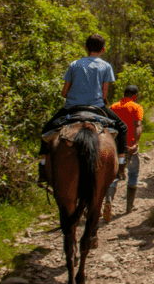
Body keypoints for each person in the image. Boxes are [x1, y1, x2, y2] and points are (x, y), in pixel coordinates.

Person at [39, 34, 128, 184]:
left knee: (46, 129)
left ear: (85, 48)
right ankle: (121, 165)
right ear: (103, 49)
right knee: (122, 127)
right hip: (96, 106)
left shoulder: (74, 64)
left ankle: (42, 169)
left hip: (72, 107)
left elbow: (64, 92)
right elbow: (104, 93)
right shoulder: (106, 66)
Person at [104, 85, 144, 221]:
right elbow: (138, 126)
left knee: (113, 176)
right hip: (129, 147)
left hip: (114, 147)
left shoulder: (113, 107)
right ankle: (129, 207)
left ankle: (108, 199)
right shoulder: (136, 107)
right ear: (135, 96)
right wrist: (135, 143)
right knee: (133, 173)